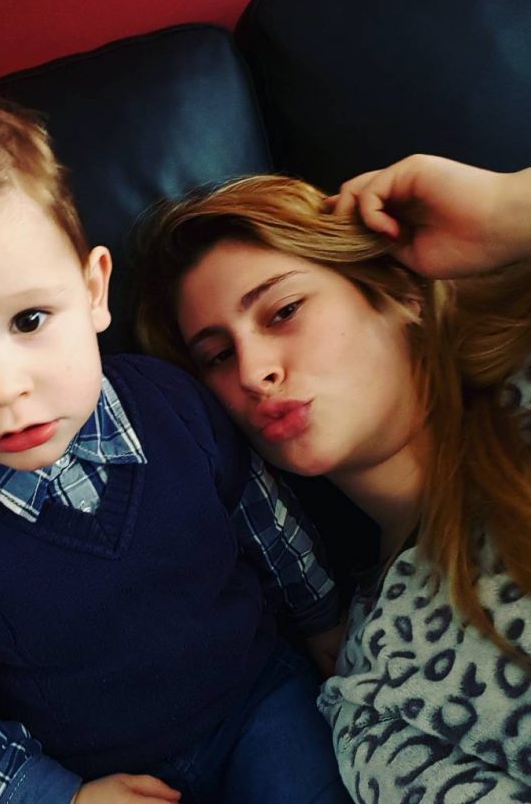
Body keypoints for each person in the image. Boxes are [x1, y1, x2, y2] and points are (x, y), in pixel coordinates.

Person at [0, 69, 351, 804]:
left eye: (29, 320)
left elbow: (268, 528)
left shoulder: (176, 406)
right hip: (88, 778)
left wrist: (325, 625)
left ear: (92, 291)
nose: (1, 387)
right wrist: (59, 797)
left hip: (258, 705)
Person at [132, 154, 531, 801]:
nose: (253, 372)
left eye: (283, 310)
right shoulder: (371, 692)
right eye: (218, 356)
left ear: (398, 292)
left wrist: (508, 211)